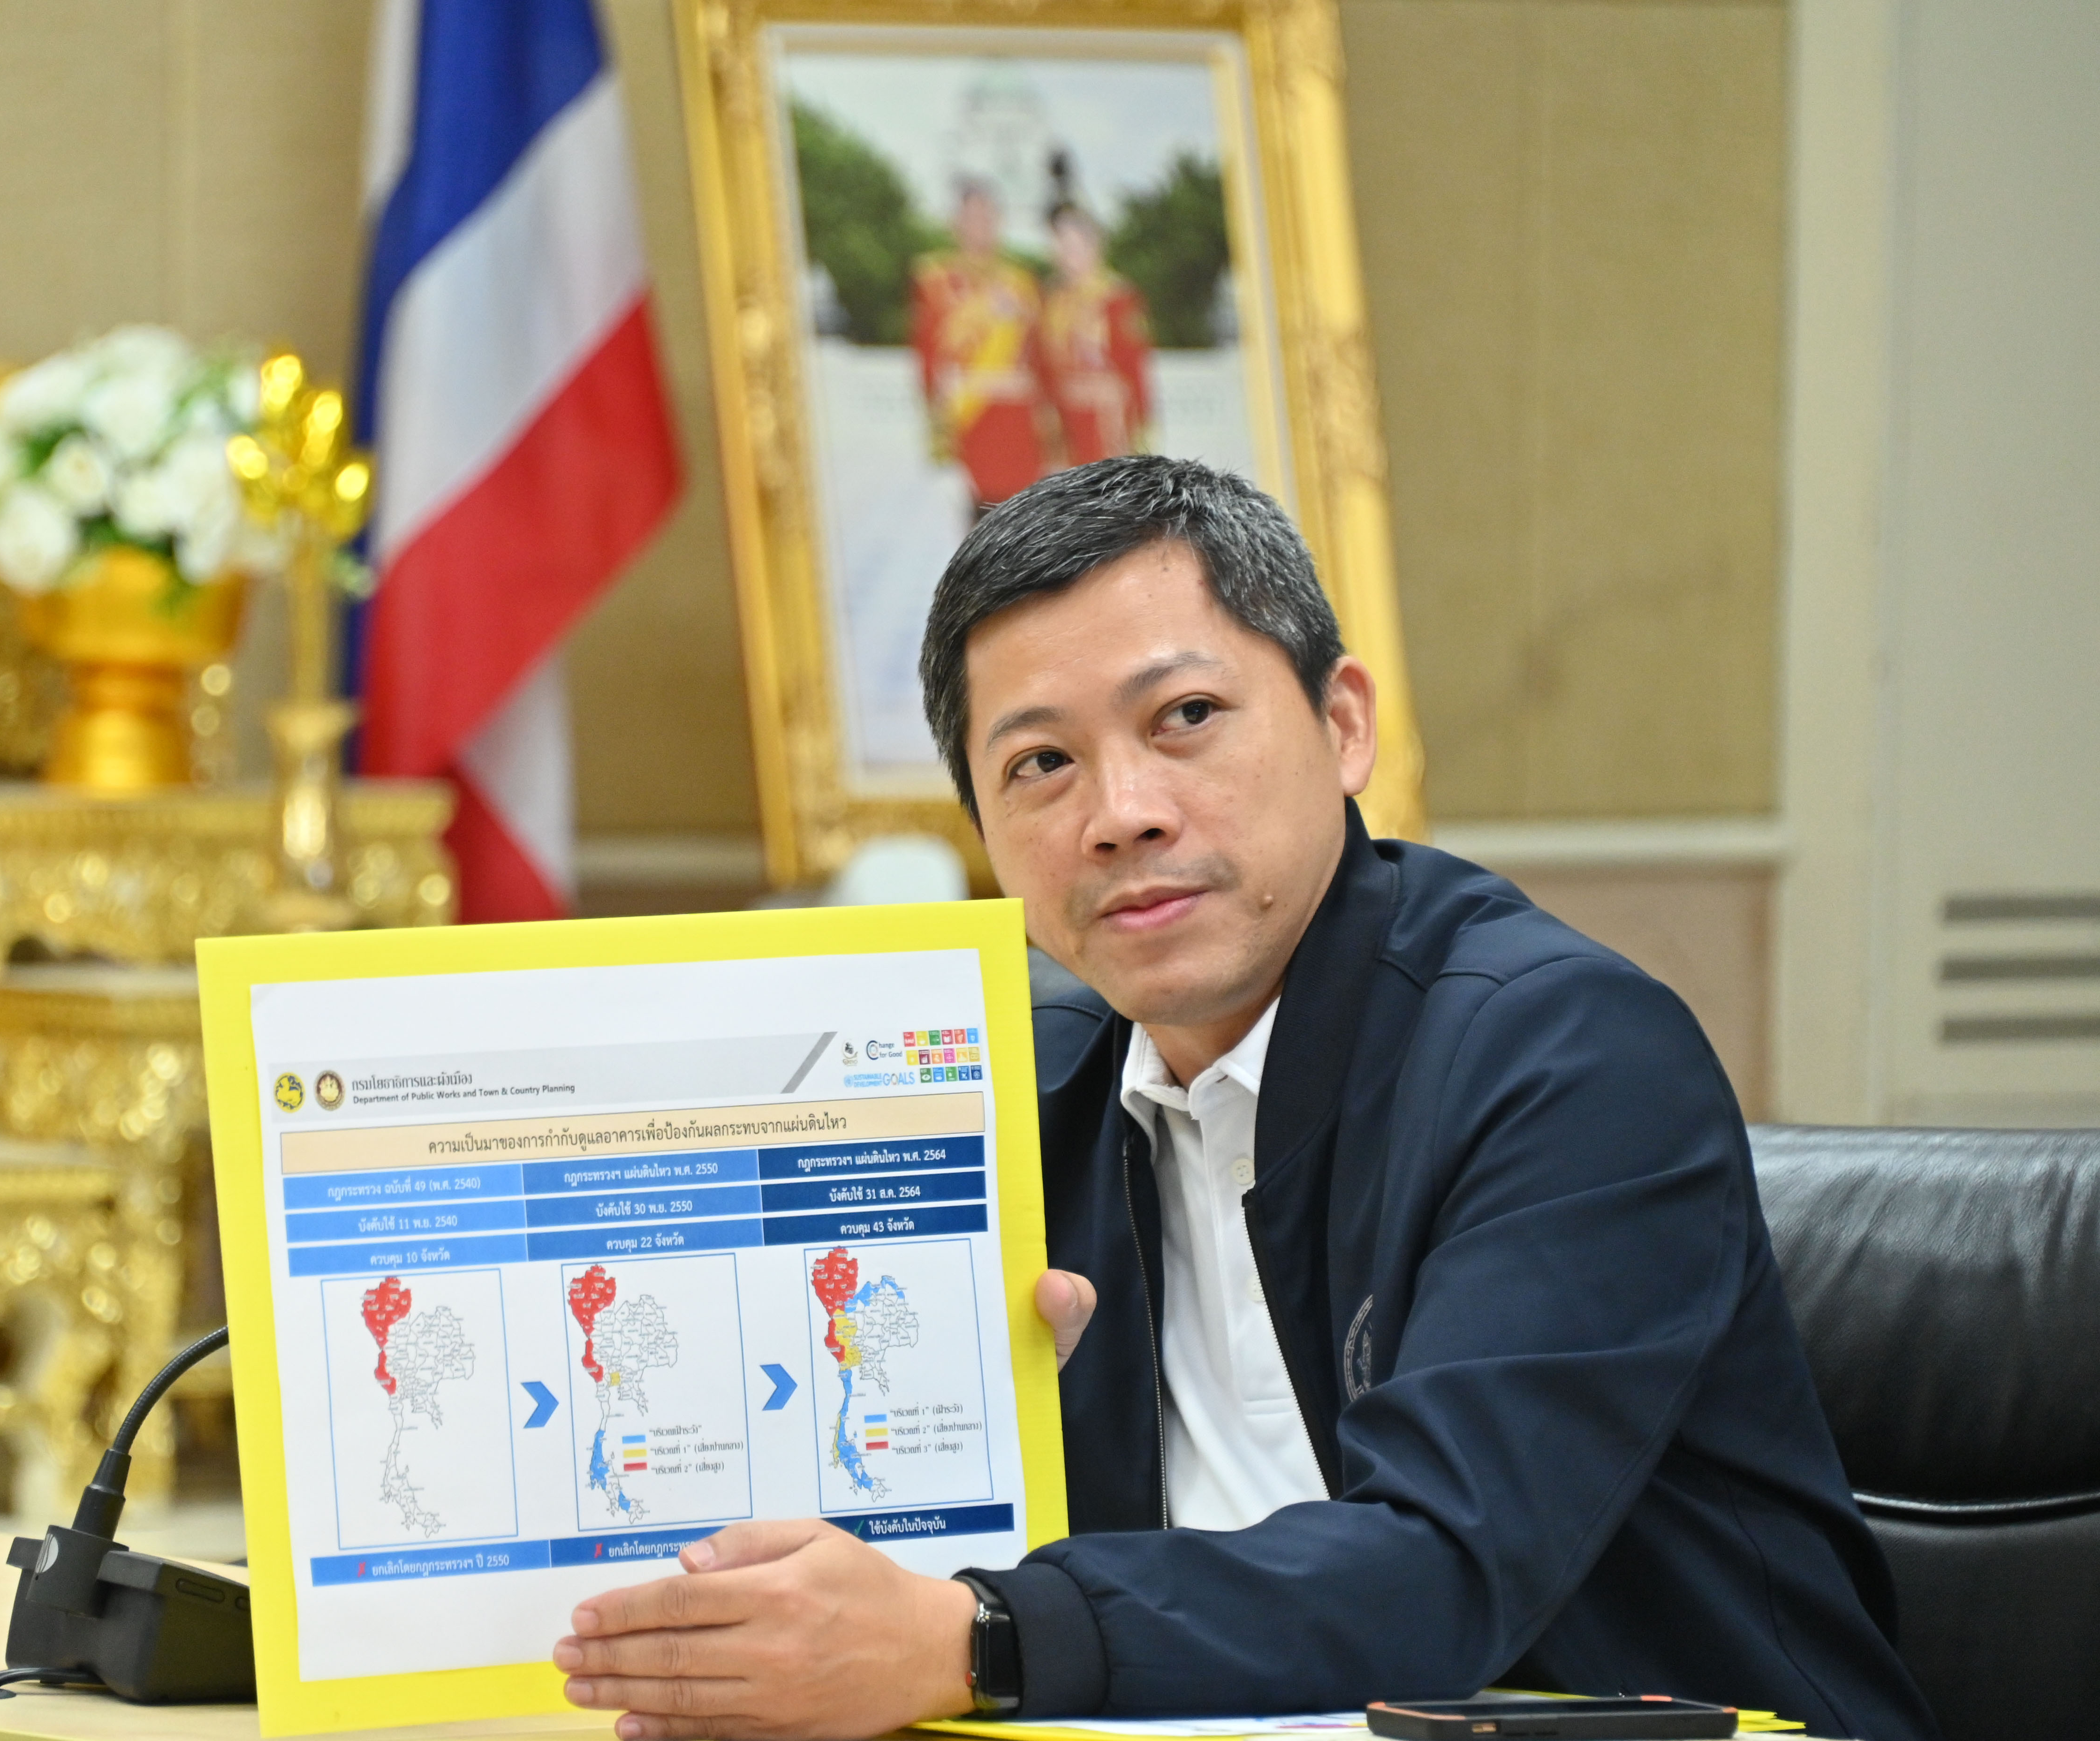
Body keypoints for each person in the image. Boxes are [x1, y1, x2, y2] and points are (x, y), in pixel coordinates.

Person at [551, 456, 1939, 1741]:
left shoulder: (1568, 1058)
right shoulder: (1006, 1097)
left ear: (1343, 726)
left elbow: (1443, 1572)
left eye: (1186, 719)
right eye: (1040, 764)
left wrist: (977, 1634)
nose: (1122, 811)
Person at [910, 179, 1049, 516]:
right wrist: (937, 418)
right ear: (955, 223)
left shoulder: (1021, 282)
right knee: (977, 520)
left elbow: (1041, 357)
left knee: (1022, 520)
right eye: (971, 217)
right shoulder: (935, 279)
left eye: (987, 216)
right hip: (968, 416)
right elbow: (927, 352)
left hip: (1016, 419)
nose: (980, 225)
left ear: (999, 221)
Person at [1035, 162, 1154, 465]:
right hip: (1066, 424)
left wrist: (1141, 429)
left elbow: (1135, 367)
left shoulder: (1117, 297)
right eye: (1061, 245)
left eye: (1076, 245)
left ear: (1096, 246)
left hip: (1108, 421)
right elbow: (1045, 368)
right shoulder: (1051, 301)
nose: (1068, 254)